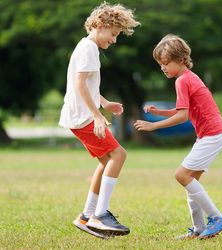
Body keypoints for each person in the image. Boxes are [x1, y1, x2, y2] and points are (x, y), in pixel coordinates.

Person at [134, 34, 222, 239]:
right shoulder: (189, 77)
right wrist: (160, 112)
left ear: (180, 60)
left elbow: (182, 116)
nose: (162, 68)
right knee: (190, 181)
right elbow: (183, 110)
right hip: (215, 134)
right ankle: (199, 229)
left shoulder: (182, 81)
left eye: (165, 63)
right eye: (160, 64)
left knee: (181, 176)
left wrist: (153, 125)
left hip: (212, 135)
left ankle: (217, 217)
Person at [58, 2, 140, 238]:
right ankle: (100, 214)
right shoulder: (89, 49)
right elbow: (79, 85)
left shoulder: (87, 47)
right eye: (113, 34)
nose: (114, 40)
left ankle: (86, 217)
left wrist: (104, 103)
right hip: (83, 117)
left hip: (79, 116)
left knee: (106, 163)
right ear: (101, 26)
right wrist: (97, 115)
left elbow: (85, 85)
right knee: (119, 155)